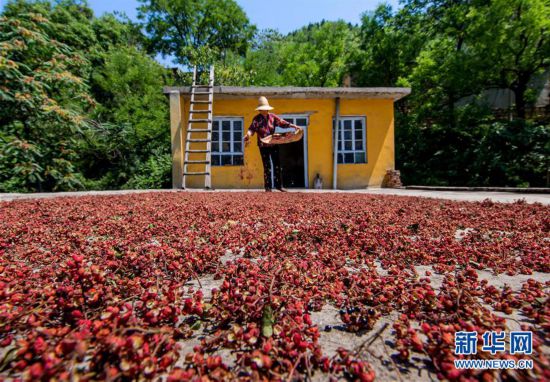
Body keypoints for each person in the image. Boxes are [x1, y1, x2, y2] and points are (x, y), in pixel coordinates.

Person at [244, 96, 299, 192]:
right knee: (267, 166)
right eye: (262, 109)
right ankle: (268, 188)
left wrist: (292, 125)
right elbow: (251, 129)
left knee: (277, 164)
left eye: (265, 109)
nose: (264, 111)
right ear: (260, 110)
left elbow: (282, 123)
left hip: (273, 144)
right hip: (263, 146)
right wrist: (248, 135)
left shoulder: (273, 117)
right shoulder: (256, 119)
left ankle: (279, 186)